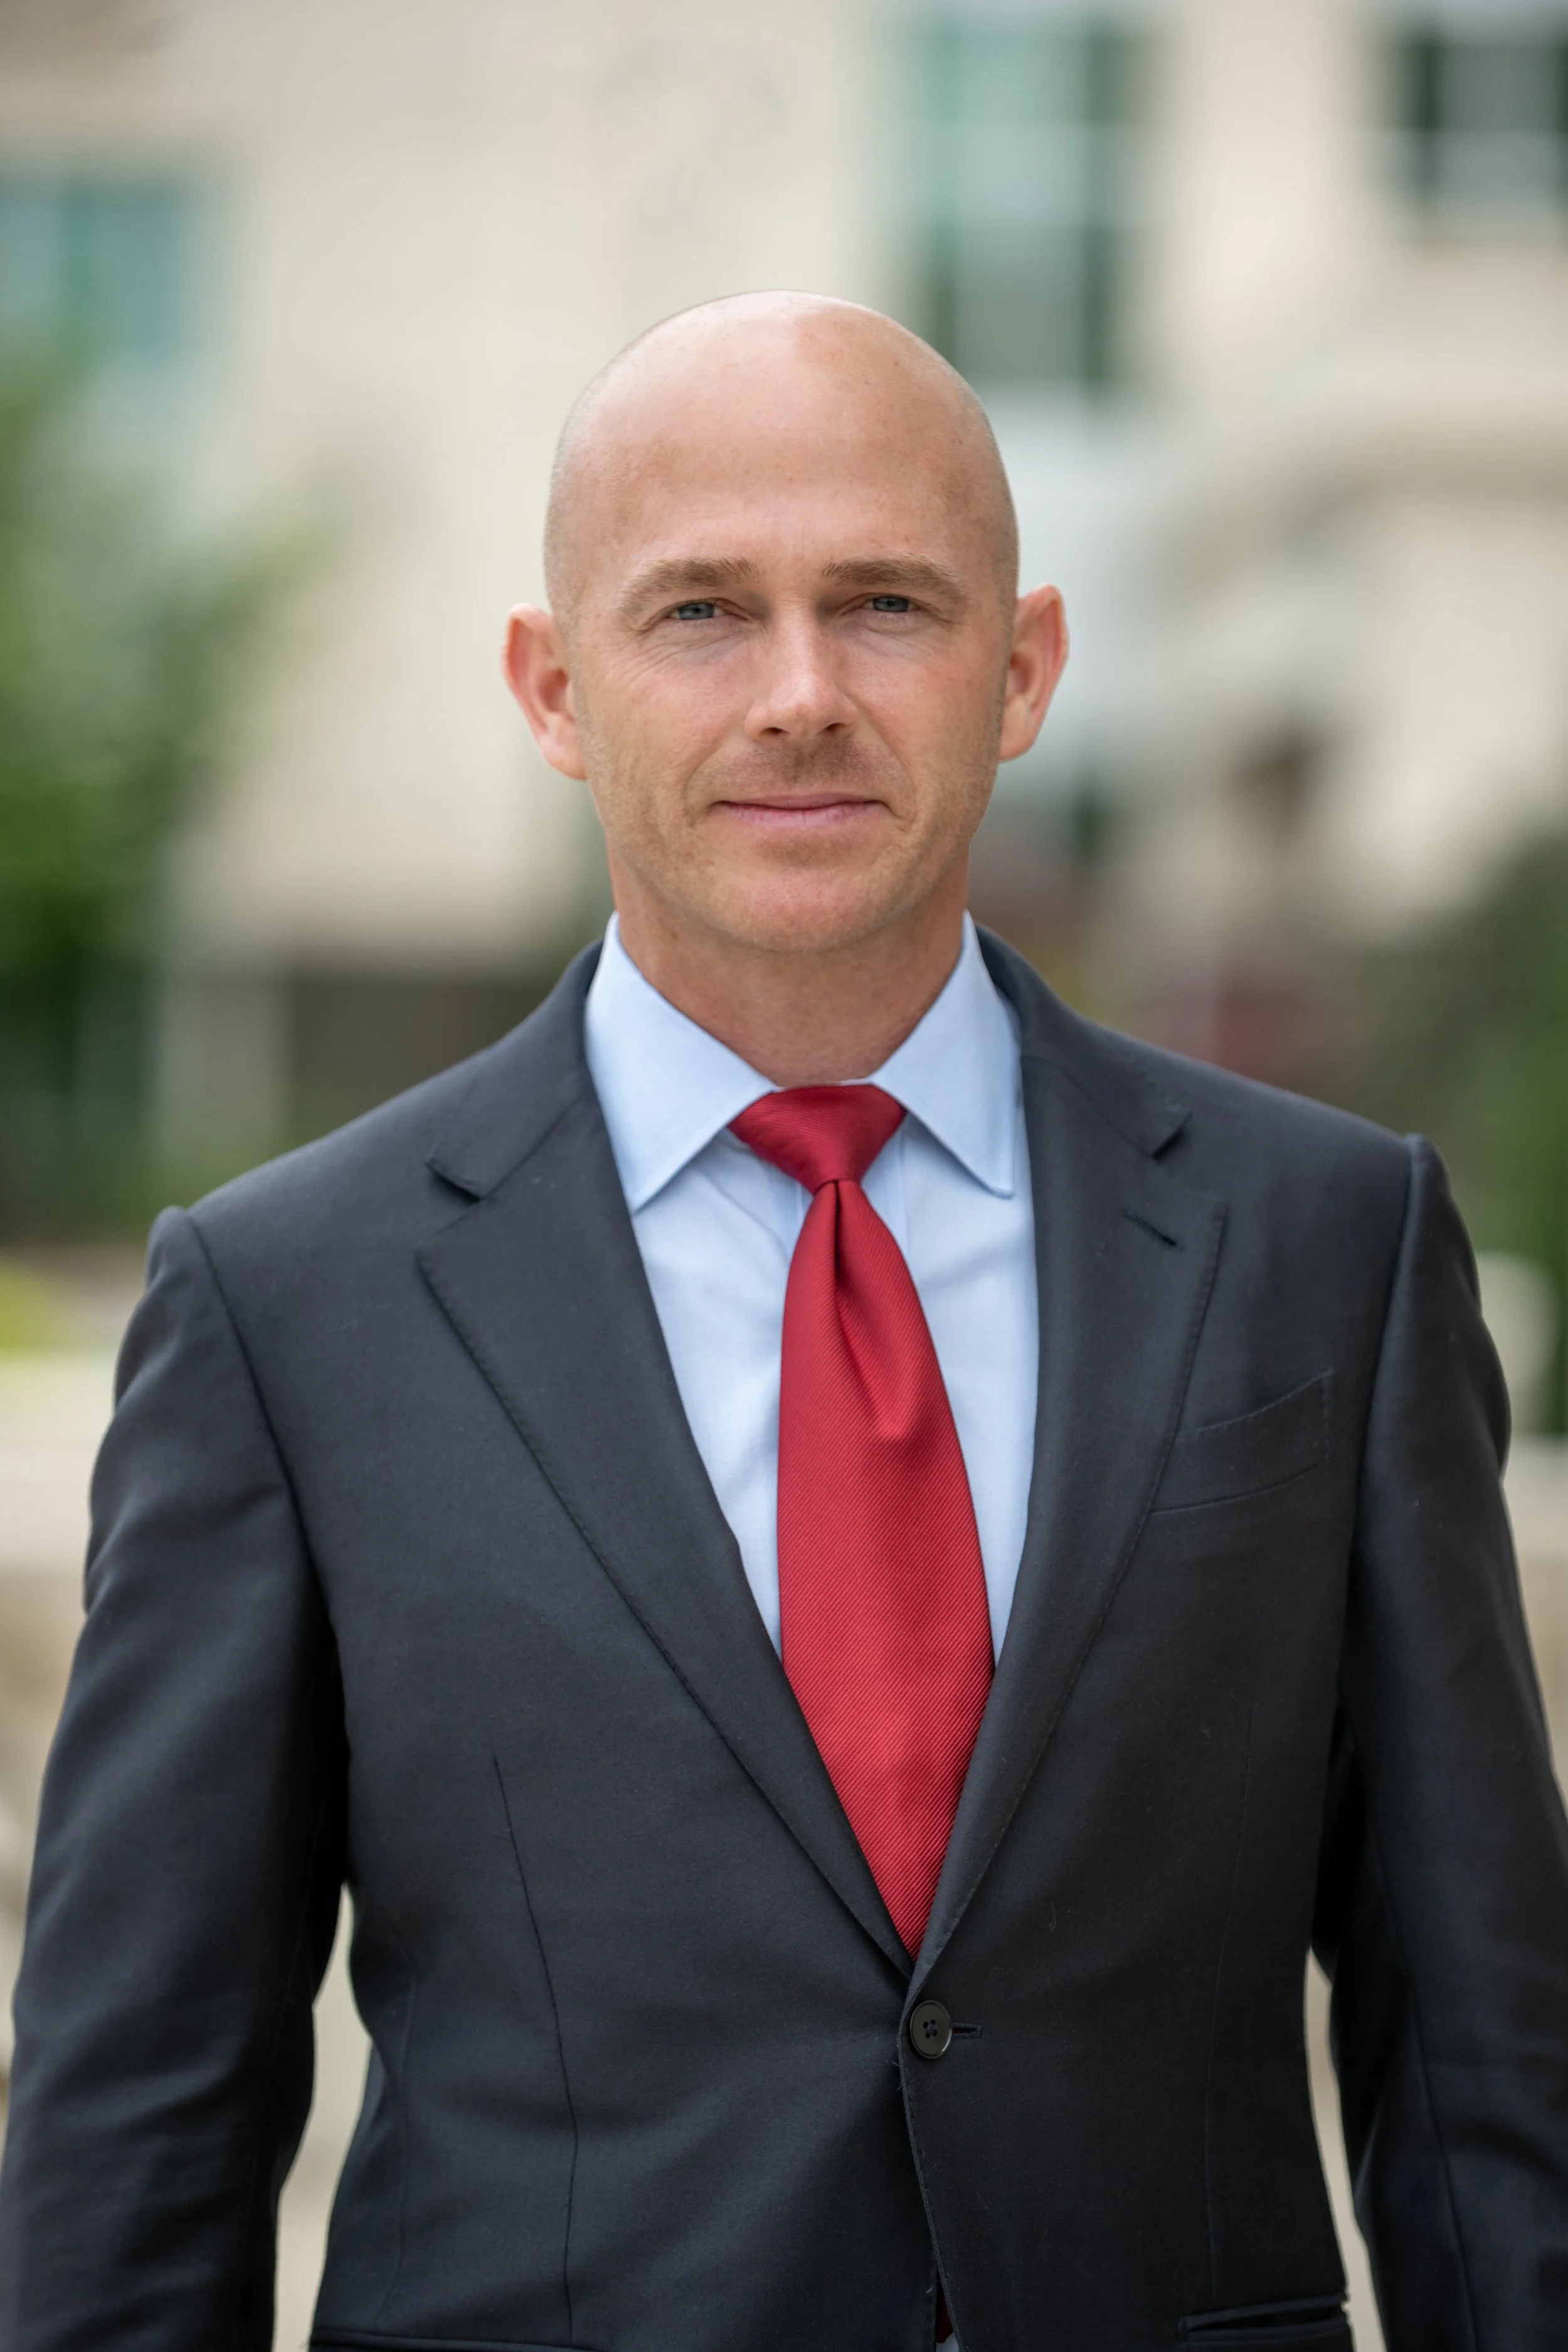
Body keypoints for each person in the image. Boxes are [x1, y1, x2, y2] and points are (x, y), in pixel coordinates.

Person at [2, 292, 1565, 2352]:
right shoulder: (288, 1304)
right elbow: (142, 2125)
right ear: (555, 690)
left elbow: (1482, 2075)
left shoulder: (1328, 1250)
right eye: (702, 614)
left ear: (1024, 670)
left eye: (889, 606)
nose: (804, 692)